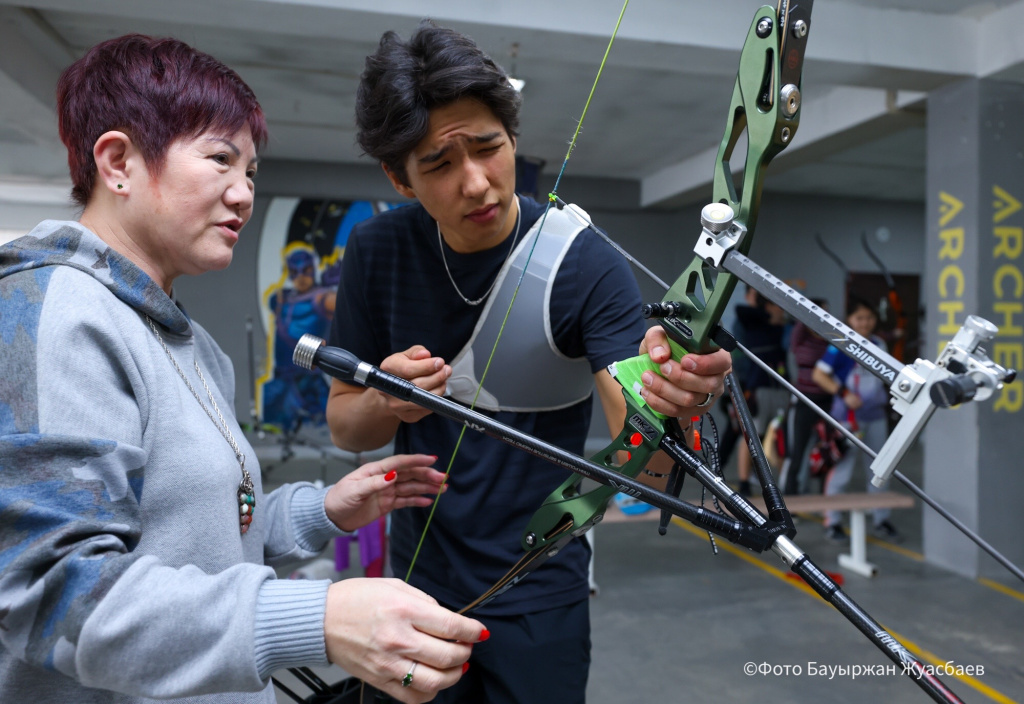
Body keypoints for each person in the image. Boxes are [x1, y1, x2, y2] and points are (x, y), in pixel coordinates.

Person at [0, 34, 486, 704]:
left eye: (251, 172)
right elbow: (58, 597)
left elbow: (203, 536)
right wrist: (316, 616)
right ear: (117, 162)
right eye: (221, 160)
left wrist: (324, 510)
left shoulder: (192, 343)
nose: (244, 194)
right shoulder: (57, 315)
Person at [325, 22, 732, 704]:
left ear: (513, 139)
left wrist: (671, 399)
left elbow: (646, 467)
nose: (477, 183)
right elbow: (346, 427)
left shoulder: (582, 261)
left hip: (543, 586)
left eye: (488, 148)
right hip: (418, 579)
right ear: (400, 178)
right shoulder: (377, 251)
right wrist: (387, 401)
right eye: (439, 164)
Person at [812, 297, 902, 542]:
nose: (865, 323)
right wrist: (843, 393)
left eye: (869, 318)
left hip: (875, 417)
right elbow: (819, 375)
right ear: (849, 320)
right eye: (859, 318)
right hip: (847, 421)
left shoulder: (879, 344)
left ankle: (881, 520)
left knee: (880, 470)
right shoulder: (840, 344)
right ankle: (833, 521)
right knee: (841, 470)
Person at [779, 297, 832, 495]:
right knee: (796, 453)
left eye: (826, 313)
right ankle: (787, 504)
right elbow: (803, 319)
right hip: (803, 401)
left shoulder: (830, 339)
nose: (822, 317)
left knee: (827, 451)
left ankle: (824, 501)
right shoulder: (800, 336)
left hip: (827, 402)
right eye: (818, 312)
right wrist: (810, 311)